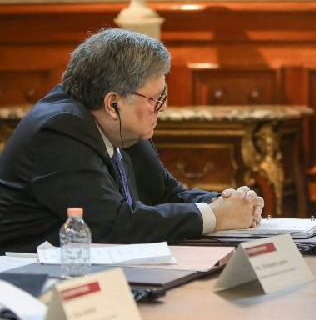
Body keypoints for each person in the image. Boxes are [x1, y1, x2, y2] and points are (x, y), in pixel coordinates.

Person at [0, 28, 264, 253]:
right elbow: (111, 224)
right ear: (112, 103)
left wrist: (231, 203)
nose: (161, 109)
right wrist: (215, 216)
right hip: (27, 279)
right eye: (155, 99)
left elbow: (167, 195)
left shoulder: (121, 125)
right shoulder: (59, 129)